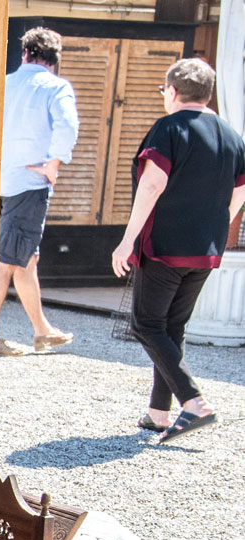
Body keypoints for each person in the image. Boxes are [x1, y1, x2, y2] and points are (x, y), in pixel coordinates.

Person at [110, 58, 245, 443]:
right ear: (207, 93)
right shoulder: (231, 135)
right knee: (171, 327)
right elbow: (240, 191)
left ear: (171, 91)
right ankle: (158, 412)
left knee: (146, 324)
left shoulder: (168, 128)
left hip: (165, 247)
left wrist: (127, 240)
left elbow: (152, 186)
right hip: (205, 249)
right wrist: (217, 224)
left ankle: (195, 403)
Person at [0, 28, 78, 356]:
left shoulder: (3, 83)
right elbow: (67, 126)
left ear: (24, 54)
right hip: (27, 186)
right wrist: (53, 164)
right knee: (5, 263)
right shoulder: (55, 87)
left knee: (24, 260)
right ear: (55, 59)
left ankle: (42, 330)